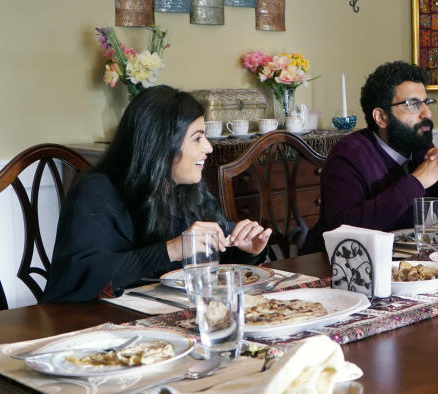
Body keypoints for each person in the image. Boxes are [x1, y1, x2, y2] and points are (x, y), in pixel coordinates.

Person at [42, 86, 272, 302]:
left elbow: (214, 267)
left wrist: (247, 251)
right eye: (197, 138)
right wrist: (170, 250)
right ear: (162, 144)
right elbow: (81, 278)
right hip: (100, 332)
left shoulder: (187, 188)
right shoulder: (95, 193)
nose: (209, 147)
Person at [303, 61, 438, 254]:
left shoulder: (420, 148)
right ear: (381, 117)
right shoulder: (347, 155)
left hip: (404, 261)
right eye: (413, 105)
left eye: (427, 102)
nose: (427, 113)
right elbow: (343, 232)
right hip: (334, 268)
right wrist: (416, 182)